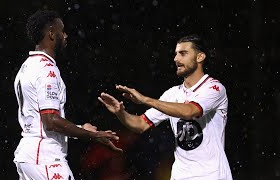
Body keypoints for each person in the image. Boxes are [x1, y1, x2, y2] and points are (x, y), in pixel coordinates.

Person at [98, 34, 232, 180]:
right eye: (175, 54)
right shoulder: (172, 94)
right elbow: (141, 124)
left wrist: (145, 99)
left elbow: (189, 111)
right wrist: (120, 113)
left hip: (212, 175)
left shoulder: (214, 88)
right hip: (180, 176)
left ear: (200, 57)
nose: (176, 59)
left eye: (183, 53)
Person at [13, 10, 122, 180]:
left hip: (29, 156)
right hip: (46, 159)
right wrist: (93, 135)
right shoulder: (47, 69)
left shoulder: (26, 66)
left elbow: (43, 120)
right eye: (61, 31)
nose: (65, 35)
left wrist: (80, 129)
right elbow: (50, 122)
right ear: (51, 34)